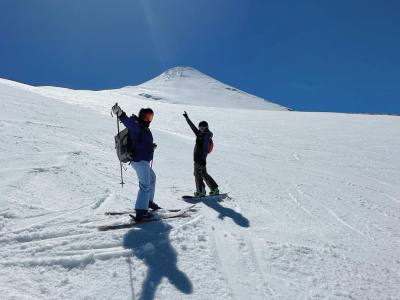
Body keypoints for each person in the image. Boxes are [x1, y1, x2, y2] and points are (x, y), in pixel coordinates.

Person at [112, 104, 161, 221]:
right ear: (142, 116)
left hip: (143, 160)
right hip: (139, 160)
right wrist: (120, 113)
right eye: (147, 117)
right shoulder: (136, 125)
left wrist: (151, 145)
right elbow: (127, 121)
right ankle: (141, 211)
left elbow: (141, 142)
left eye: (151, 117)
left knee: (152, 179)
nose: (149, 119)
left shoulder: (145, 129)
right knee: (145, 184)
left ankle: (148, 202)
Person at [183, 111, 219, 197]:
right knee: (202, 174)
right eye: (200, 127)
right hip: (199, 158)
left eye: (203, 128)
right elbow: (193, 127)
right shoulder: (200, 134)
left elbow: (205, 149)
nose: (201, 129)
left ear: (206, 128)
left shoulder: (206, 136)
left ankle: (200, 191)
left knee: (197, 174)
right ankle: (214, 189)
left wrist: (202, 159)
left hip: (200, 159)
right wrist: (187, 118)